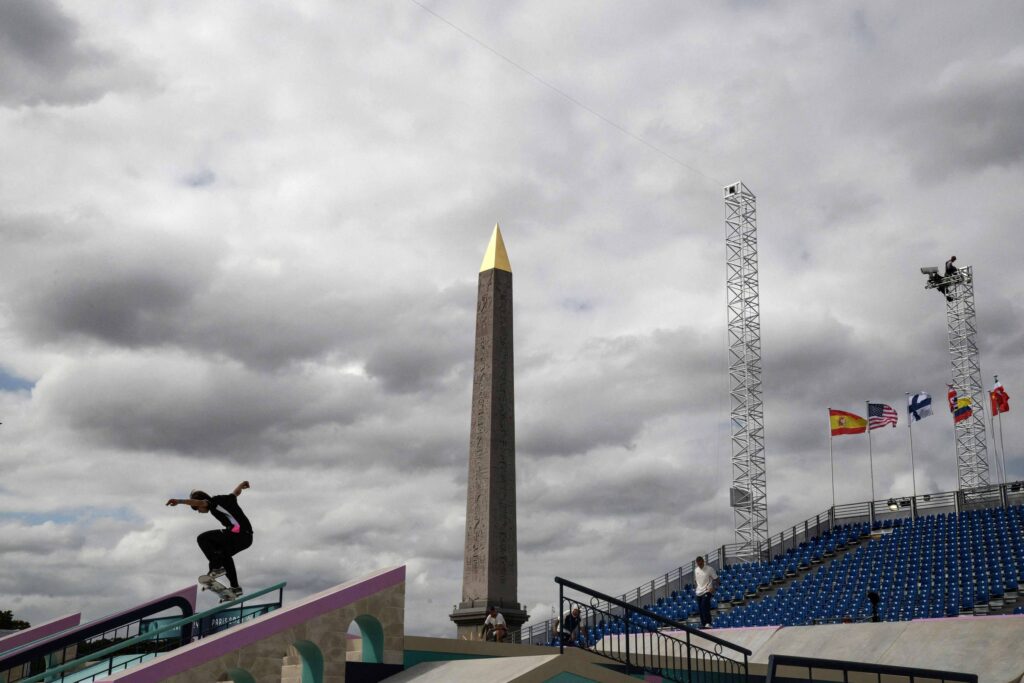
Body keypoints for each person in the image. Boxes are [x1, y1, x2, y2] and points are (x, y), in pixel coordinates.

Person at [166, 481, 253, 599]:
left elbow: (200, 502)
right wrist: (242, 484)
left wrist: (179, 501)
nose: (199, 511)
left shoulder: (211, 503)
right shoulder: (227, 498)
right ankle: (235, 587)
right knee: (224, 554)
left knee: (202, 538)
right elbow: (236, 493)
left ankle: (216, 567)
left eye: (197, 509)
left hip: (237, 533)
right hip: (246, 539)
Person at [694, 556, 719, 628]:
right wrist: (697, 587)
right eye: (698, 563)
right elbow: (696, 580)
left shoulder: (709, 569)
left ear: (703, 561)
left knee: (704, 606)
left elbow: (716, 578)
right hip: (699, 591)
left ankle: (708, 623)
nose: (699, 564)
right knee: (700, 608)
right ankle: (703, 624)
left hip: (707, 590)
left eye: (701, 562)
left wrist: (714, 587)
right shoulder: (696, 570)